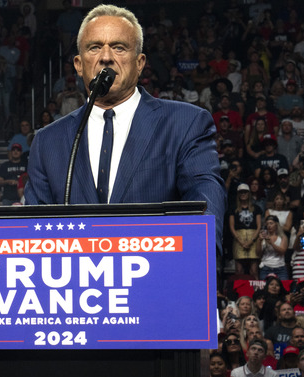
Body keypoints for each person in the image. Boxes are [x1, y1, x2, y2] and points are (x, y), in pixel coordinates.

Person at [24, 5, 225, 247]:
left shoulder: (185, 124)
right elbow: (35, 237)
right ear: (79, 64)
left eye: (119, 47)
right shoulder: (47, 141)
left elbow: (204, 209)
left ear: (140, 63)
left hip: (156, 278)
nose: (106, 57)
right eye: (94, 47)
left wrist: (195, 267)